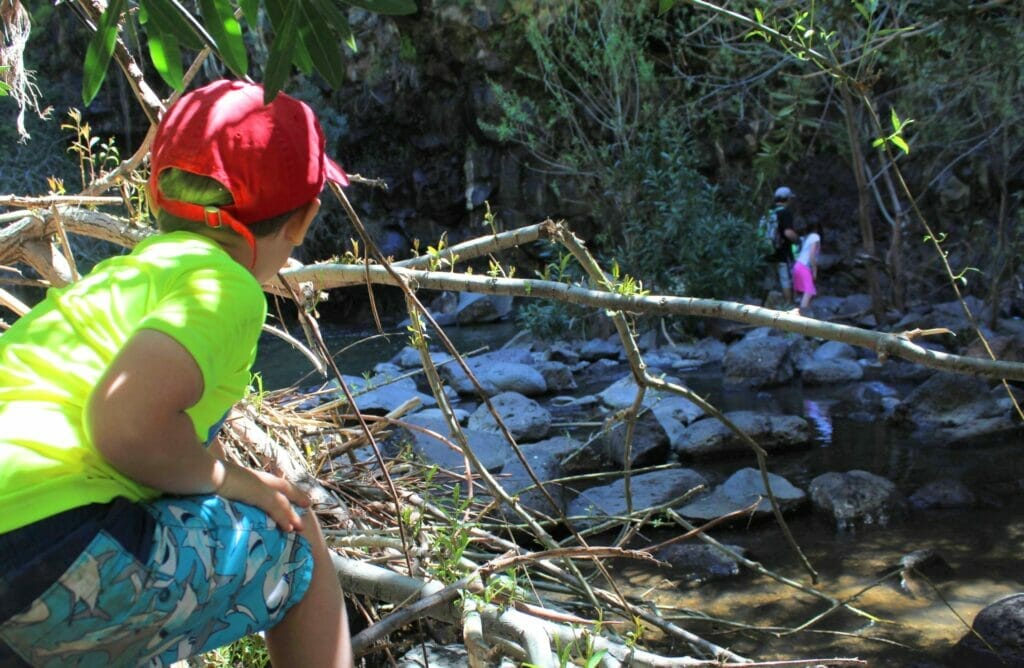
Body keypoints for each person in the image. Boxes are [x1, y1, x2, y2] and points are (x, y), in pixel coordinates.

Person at [0, 80, 353, 667]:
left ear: (154, 197)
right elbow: (125, 423)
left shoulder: (114, 283)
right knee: (297, 536)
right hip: (55, 548)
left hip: (24, 545)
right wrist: (233, 479)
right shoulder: (223, 287)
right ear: (302, 221)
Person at [764, 186, 800, 304]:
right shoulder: (785, 213)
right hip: (782, 253)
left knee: (769, 280)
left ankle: (764, 305)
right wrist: (798, 240)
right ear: (787, 199)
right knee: (785, 280)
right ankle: (788, 306)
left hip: (768, 252)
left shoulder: (769, 213)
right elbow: (788, 233)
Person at [792, 221, 822, 313]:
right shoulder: (815, 237)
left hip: (797, 265)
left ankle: (802, 311)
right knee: (809, 291)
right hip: (803, 266)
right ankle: (802, 314)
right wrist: (815, 270)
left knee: (803, 291)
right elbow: (811, 255)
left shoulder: (806, 237)